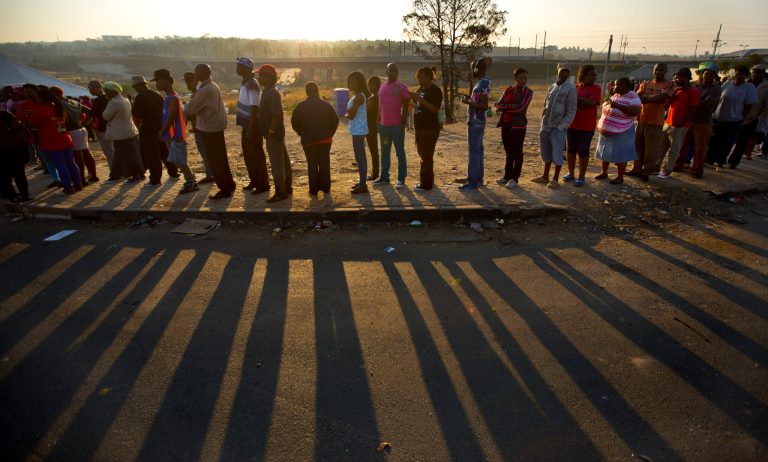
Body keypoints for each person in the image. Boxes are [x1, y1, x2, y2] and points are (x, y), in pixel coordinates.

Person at [184, 64, 236, 199]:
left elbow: (190, 109)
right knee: (221, 158)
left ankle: (224, 189)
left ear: (201, 74)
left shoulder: (205, 90)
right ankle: (229, 185)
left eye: (196, 72)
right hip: (215, 126)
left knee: (216, 160)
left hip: (209, 128)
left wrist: (193, 91)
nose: (194, 75)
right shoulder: (212, 85)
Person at [153, 69, 198, 194]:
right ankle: (191, 179)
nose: (157, 84)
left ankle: (191, 182)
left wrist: (162, 131)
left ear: (167, 81)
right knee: (178, 160)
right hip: (174, 134)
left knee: (179, 160)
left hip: (175, 135)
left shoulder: (172, 98)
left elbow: (171, 116)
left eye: (158, 81)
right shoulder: (171, 97)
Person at [533, 62, 577, 188]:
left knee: (557, 153)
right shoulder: (552, 87)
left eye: (567, 71)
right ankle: (545, 176)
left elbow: (571, 110)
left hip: (558, 127)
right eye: (562, 71)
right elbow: (545, 104)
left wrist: (561, 126)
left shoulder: (571, 89)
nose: (564, 73)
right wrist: (542, 120)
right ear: (557, 71)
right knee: (546, 151)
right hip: (546, 124)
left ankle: (555, 179)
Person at [628, 63, 675, 181]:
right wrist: (651, 98)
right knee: (638, 146)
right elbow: (637, 96)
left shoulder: (670, 84)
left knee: (651, 149)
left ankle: (646, 171)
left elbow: (662, 97)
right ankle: (636, 169)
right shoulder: (645, 83)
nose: (658, 72)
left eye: (661, 70)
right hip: (641, 119)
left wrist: (647, 98)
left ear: (666, 71)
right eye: (656, 70)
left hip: (656, 121)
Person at [290, 81, 339, 196]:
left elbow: (293, 122)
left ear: (306, 92)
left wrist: (301, 132)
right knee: (324, 163)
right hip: (325, 138)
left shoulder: (300, 106)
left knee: (312, 164)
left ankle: (313, 190)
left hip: (308, 139)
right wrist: (330, 133)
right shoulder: (326, 104)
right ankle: (326, 188)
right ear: (317, 91)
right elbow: (335, 120)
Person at [30, 88, 82, 194]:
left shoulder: (41, 109)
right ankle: (78, 185)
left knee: (61, 165)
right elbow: (66, 122)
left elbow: (33, 122)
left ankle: (68, 187)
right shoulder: (59, 108)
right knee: (71, 164)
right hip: (65, 139)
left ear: (42, 98)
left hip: (51, 141)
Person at [707, 65, 757, 171]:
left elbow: (748, 106)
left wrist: (742, 118)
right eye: (736, 73)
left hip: (734, 120)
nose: (738, 76)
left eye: (741, 74)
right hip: (718, 118)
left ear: (746, 76)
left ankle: (720, 163)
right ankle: (709, 160)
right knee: (714, 141)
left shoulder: (749, 88)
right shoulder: (728, 84)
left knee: (727, 143)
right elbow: (718, 98)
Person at [131, 75, 179, 186]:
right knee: (164, 153)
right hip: (161, 128)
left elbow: (135, 116)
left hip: (147, 130)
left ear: (136, 86)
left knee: (152, 156)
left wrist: (139, 128)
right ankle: (174, 173)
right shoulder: (157, 95)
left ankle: (155, 180)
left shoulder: (139, 98)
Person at [676, 62, 722, 179]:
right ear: (701, 75)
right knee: (683, 145)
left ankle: (697, 169)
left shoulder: (716, 89)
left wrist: (692, 105)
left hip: (703, 122)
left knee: (700, 148)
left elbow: (708, 103)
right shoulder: (695, 87)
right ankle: (678, 164)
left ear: (715, 77)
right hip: (689, 120)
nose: (708, 76)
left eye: (711, 75)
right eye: (706, 74)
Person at [594, 77, 642, 184]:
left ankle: (620, 177)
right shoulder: (616, 95)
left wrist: (617, 105)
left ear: (624, 86)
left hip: (622, 130)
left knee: (621, 154)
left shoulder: (633, 96)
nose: (614, 87)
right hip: (607, 131)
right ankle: (604, 172)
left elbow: (636, 111)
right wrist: (607, 103)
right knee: (604, 152)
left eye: (617, 85)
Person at [256, 64, 292, 203]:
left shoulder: (271, 93)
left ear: (269, 77)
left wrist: (270, 131)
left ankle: (280, 192)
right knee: (284, 161)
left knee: (277, 164)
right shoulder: (269, 91)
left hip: (273, 134)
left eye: (262, 75)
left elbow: (276, 115)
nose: (259, 78)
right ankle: (287, 187)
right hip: (276, 133)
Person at [50, 87, 99, 186]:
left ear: (54, 94)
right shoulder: (73, 101)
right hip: (81, 129)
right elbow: (91, 112)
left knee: (77, 157)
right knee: (86, 153)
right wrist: (85, 123)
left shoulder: (58, 105)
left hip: (71, 131)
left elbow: (61, 122)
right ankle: (93, 175)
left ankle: (81, 179)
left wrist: (61, 133)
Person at [657, 68, 700, 179]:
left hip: (679, 125)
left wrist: (683, 123)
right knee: (661, 147)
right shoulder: (676, 90)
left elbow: (693, 109)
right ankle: (656, 166)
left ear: (686, 78)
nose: (676, 79)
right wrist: (674, 92)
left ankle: (668, 169)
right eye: (675, 77)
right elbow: (666, 105)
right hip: (668, 122)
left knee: (674, 150)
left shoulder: (693, 92)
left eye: (678, 77)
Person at [16, 84, 61, 188]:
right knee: (47, 159)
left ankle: (64, 179)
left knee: (58, 158)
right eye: (25, 92)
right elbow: (23, 122)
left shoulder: (48, 104)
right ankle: (56, 179)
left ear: (36, 91)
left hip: (53, 135)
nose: (27, 94)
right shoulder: (24, 105)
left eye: (30, 91)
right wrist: (31, 133)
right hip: (36, 137)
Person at [235, 57, 270, 193]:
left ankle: (263, 183)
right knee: (249, 154)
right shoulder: (246, 83)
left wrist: (250, 128)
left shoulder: (252, 84)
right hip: (247, 125)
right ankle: (254, 180)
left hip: (252, 126)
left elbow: (254, 107)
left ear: (248, 69)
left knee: (256, 154)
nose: (237, 68)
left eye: (240, 66)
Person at [495, 68, 533, 189]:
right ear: (515, 78)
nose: (523, 80)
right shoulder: (508, 90)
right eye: (521, 78)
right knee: (508, 151)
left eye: (525, 78)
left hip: (518, 126)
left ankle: (514, 178)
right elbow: (498, 104)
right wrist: (509, 106)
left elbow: (520, 109)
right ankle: (507, 176)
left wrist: (505, 107)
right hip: (506, 124)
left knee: (517, 152)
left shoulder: (528, 92)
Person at [374, 63, 410, 188]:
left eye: (395, 71)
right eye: (390, 71)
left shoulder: (402, 87)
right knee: (384, 152)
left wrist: (403, 120)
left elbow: (406, 104)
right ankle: (384, 177)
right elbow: (380, 104)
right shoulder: (382, 87)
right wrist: (378, 120)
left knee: (399, 153)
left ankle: (401, 178)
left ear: (397, 73)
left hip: (396, 127)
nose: (392, 73)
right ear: (386, 72)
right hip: (383, 126)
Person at [565, 64, 601, 187]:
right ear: (584, 75)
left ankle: (581, 176)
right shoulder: (575, 87)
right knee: (570, 150)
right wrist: (583, 100)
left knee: (583, 151)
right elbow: (570, 103)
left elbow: (592, 103)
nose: (594, 77)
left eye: (595, 75)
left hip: (587, 126)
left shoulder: (596, 88)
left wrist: (580, 101)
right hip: (572, 124)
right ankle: (571, 173)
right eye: (592, 75)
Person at [102, 82, 143, 183]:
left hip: (120, 133)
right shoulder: (125, 100)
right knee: (129, 154)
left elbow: (105, 116)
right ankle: (118, 174)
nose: (105, 93)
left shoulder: (113, 102)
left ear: (112, 92)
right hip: (130, 130)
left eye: (106, 91)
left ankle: (135, 175)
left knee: (126, 156)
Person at [460, 57, 492, 190]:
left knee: (474, 152)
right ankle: (478, 177)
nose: (471, 70)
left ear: (477, 69)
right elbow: (476, 99)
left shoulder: (483, 83)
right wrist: (471, 84)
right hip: (476, 121)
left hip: (476, 122)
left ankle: (472, 182)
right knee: (478, 150)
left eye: (472, 68)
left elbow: (484, 105)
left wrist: (468, 103)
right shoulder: (481, 82)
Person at [410, 66, 443, 191]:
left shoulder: (435, 91)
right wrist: (414, 99)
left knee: (426, 156)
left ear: (429, 77)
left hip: (430, 128)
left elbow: (434, 110)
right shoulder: (421, 89)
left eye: (421, 77)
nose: (419, 80)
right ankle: (428, 180)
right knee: (424, 155)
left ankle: (426, 184)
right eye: (418, 78)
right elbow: (419, 106)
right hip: (420, 128)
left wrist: (419, 99)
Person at [728, 64, 768, 167]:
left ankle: (734, 161)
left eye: (758, 72)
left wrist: (758, 118)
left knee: (743, 141)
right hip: (737, 115)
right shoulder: (744, 83)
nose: (755, 74)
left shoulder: (766, 87)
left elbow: (765, 106)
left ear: (763, 73)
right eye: (754, 71)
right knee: (731, 138)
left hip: (753, 117)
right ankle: (723, 157)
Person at [182, 72, 214, 184]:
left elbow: (195, 111)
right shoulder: (195, 94)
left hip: (202, 128)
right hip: (198, 128)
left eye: (189, 81)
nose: (188, 84)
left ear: (195, 81)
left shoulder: (198, 93)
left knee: (205, 152)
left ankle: (210, 174)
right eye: (186, 82)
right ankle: (210, 173)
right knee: (204, 152)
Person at [0, 110, 33, 202]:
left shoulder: (3, 127)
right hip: (20, 153)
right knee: (20, 176)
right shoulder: (19, 125)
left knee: (5, 176)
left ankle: (11, 195)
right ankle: (24, 195)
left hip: (5, 155)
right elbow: (27, 136)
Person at [345, 71, 370, 194]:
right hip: (358, 129)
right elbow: (350, 113)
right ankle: (362, 182)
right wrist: (349, 112)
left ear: (359, 82)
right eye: (349, 82)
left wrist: (348, 112)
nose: (351, 84)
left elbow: (351, 114)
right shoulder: (358, 96)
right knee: (361, 157)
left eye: (353, 82)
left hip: (358, 130)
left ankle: (363, 185)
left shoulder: (359, 96)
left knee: (360, 158)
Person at [88, 80, 116, 177]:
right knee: (112, 151)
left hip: (104, 129)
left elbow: (94, 113)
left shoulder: (99, 100)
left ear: (98, 88)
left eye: (91, 88)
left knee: (109, 152)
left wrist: (83, 108)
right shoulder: (108, 98)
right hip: (112, 127)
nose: (90, 91)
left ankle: (115, 173)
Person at [366, 76, 381, 181]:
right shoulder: (375, 97)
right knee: (374, 150)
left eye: (369, 84)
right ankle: (375, 173)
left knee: (373, 151)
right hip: (373, 126)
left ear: (374, 85)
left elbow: (365, 110)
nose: (368, 87)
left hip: (371, 127)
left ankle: (375, 174)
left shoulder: (375, 98)